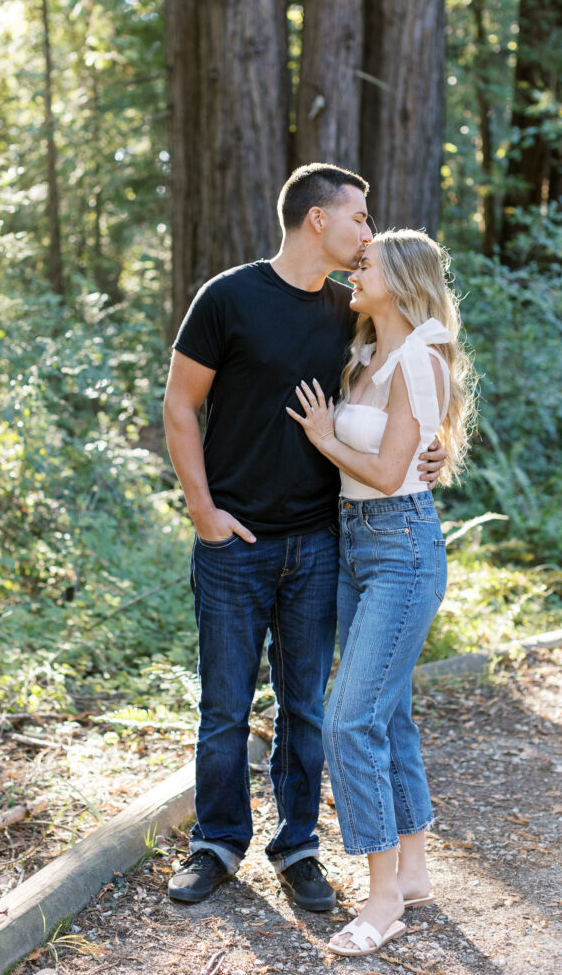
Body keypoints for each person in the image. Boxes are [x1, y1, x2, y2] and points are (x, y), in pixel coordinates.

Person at [163, 165, 446, 912]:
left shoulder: (347, 314)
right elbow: (179, 406)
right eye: (358, 217)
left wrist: (430, 454)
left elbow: (396, 397)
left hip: (325, 544)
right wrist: (203, 514)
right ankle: (218, 843)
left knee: (307, 707)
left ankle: (298, 847)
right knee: (224, 705)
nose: (366, 234)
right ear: (317, 219)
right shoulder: (228, 297)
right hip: (235, 541)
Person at [286, 228, 475, 954]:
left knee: (347, 721)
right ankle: (415, 872)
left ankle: (383, 897)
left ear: (399, 278)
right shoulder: (366, 354)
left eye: (364, 265)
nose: (351, 272)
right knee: (386, 717)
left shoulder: (420, 356)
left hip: (399, 545)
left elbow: (392, 468)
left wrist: (324, 436)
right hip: (355, 544)